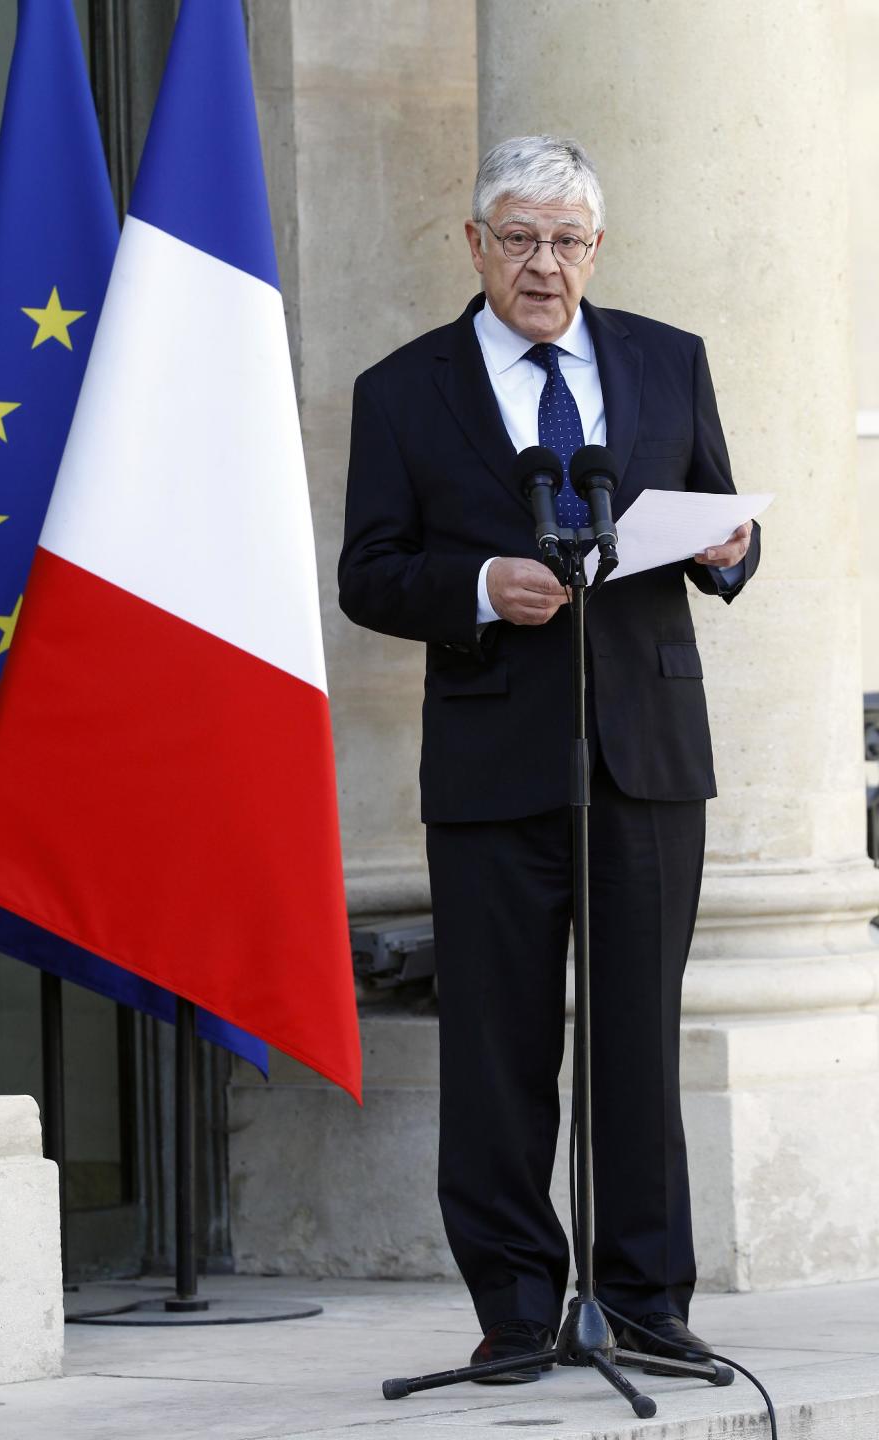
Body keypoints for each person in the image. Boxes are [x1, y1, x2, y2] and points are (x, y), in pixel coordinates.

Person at [338, 135, 759, 1382]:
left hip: (648, 754)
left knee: (639, 1038)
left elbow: (719, 521)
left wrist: (731, 553)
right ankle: (518, 1306)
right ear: (472, 244)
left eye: (569, 240)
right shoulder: (403, 389)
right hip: (492, 760)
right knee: (497, 1047)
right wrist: (476, 582)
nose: (545, 264)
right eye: (519, 238)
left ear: (598, 249)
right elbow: (369, 575)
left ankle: (643, 1300)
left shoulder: (666, 361)